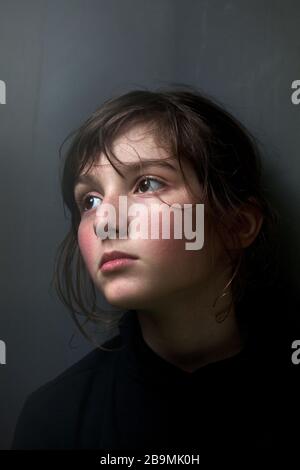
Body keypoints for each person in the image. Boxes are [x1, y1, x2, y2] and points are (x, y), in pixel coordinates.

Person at [12, 86, 300, 456]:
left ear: (237, 225)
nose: (105, 222)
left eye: (147, 184)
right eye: (90, 200)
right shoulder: (55, 419)